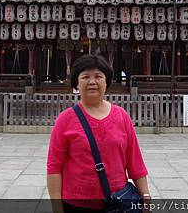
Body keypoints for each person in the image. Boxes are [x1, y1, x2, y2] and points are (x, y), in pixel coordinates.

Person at [47, 54, 150, 213]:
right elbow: (54, 167)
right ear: (76, 83)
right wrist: (57, 208)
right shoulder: (65, 120)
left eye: (98, 76)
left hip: (118, 202)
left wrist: (145, 196)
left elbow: (135, 162)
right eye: (85, 77)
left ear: (107, 81)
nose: (92, 81)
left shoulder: (122, 117)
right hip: (76, 205)